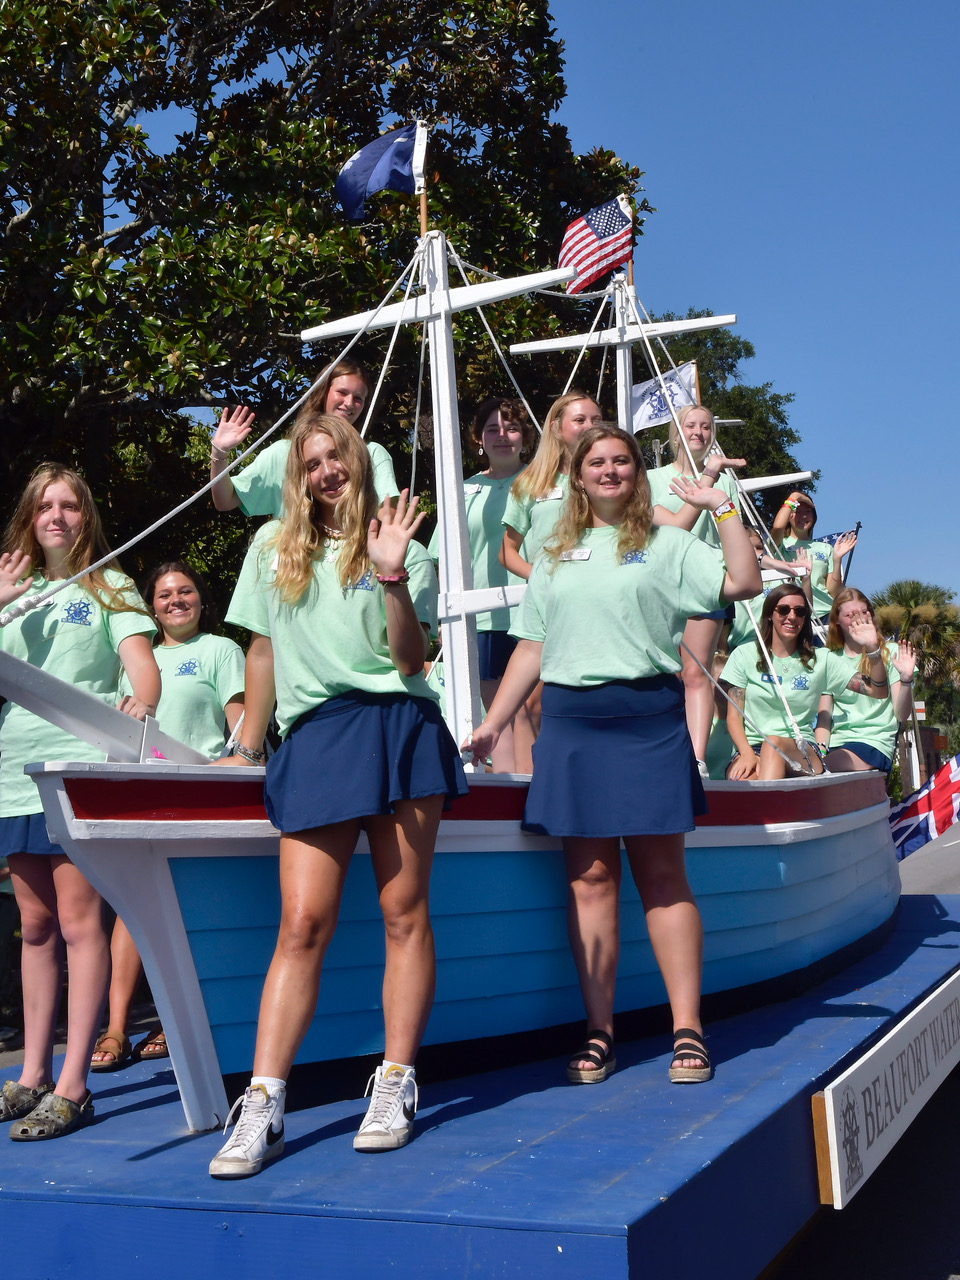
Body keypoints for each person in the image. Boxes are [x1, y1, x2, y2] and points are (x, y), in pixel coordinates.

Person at [208, 412, 466, 1179]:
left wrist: (391, 573)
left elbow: (413, 658)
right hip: (318, 735)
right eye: (311, 460)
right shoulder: (269, 547)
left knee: (402, 910)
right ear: (300, 475)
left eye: (336, 456)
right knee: (302, 922)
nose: (326, 470)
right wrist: (246, 747)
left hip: (400, 724)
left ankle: (395, 1081)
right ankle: (263, 1100)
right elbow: (260, 652)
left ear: (358, 461)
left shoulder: (403, 544)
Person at [466, 425, 761, 1087]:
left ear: (637, 473)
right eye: (595, 461)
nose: (609, 470)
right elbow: (532, 649)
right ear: (576, 475)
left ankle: (688, 1030)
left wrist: (722, 506)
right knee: (590, 883)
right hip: (572, 725)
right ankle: (600, 1033)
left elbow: (742, 581)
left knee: (662, 881)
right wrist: (493, 724)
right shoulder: (553, 554)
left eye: (621, 460)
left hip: (648, 720)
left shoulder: (668, 543)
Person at [0, 465, 160, 1139]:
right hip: (13, 771)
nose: (57, 516)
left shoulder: (109, 583)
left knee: (77, 924)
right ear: (30, 518)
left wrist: (143, 699)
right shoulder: (9, 586)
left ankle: (73, 1082)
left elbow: (141, 666)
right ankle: (31, 1074)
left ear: (85, 515)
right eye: (45, 506)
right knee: (32, 928)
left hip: (76, 769)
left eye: (69, 504)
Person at [90, 562, 245, 1071]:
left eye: (186, 591)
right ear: (150, 607)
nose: (176, 600)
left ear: (202, 598)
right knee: (131, 910)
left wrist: (243, 762)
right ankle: (115, 1027)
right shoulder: (133, 658)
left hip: (196, 792)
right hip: (139, 791)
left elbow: (240, 722)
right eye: (163, 594)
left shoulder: (220, 649)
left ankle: (170, 1019)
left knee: (185, 910)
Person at [429, 396, 538, 772]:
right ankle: (511, 794)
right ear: (478, 438)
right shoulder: (459, 491)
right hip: (485, 620)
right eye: (493, 429)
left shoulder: (546, 483)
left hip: (537, 615)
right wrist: (445, 618)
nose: (502, 436)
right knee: (500, 717)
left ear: (525, 436)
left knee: (534, 712)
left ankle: (539, 790)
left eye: (511, 428)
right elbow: (443, 557)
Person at [644, 404, 747, 773]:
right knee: (664, 674)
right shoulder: (651, 479)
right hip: (661, 586)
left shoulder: (727, 481)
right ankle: (664, 751)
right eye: (691, 425)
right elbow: (673, 530)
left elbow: (731, 534)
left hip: (706, 583)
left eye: (706, 427)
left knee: (696, 672)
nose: (699, 432)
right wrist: (708, 478)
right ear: (676, 431)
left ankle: (697, 758)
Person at [720, 583, 888, 781]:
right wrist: (746, 754)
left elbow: (878, 691)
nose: (792, 616)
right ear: (769, 615)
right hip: (752, 747)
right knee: (743, 780)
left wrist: (872, 649)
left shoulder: (821, 659)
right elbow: (733, 717)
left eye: (799, 612)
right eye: (783, 610)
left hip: (802, 750)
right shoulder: (744, 655)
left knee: (773, 744)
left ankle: (773, 808)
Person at [209, 357, 398, 515]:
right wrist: (219, 452)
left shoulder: (372, 454)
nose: (349, 403)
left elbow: (388, 516)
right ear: (323, 393)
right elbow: (225, 501)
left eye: (358, 398)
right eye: (342, 392)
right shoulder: (283, 453)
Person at [821, 587, 916, 774]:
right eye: (850, 615)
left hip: (873, 742)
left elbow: (901, 715)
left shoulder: (892, 651)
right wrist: (820, 750)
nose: (859, 619)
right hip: (835, 745)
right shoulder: (829, 659)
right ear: (837, 621)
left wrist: (906, 680)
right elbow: (824, 717)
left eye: (864, 612)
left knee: (830, 765)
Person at [770, 491, 858, 623]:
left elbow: (834, 592)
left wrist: (837, 558)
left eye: (807, 511)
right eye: (797, 511)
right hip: (791, 615)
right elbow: (778, 526)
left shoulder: (826, 548)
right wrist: (794, 497)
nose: (803, 516)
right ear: (789, 515)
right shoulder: (779, 545)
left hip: (824, 616)